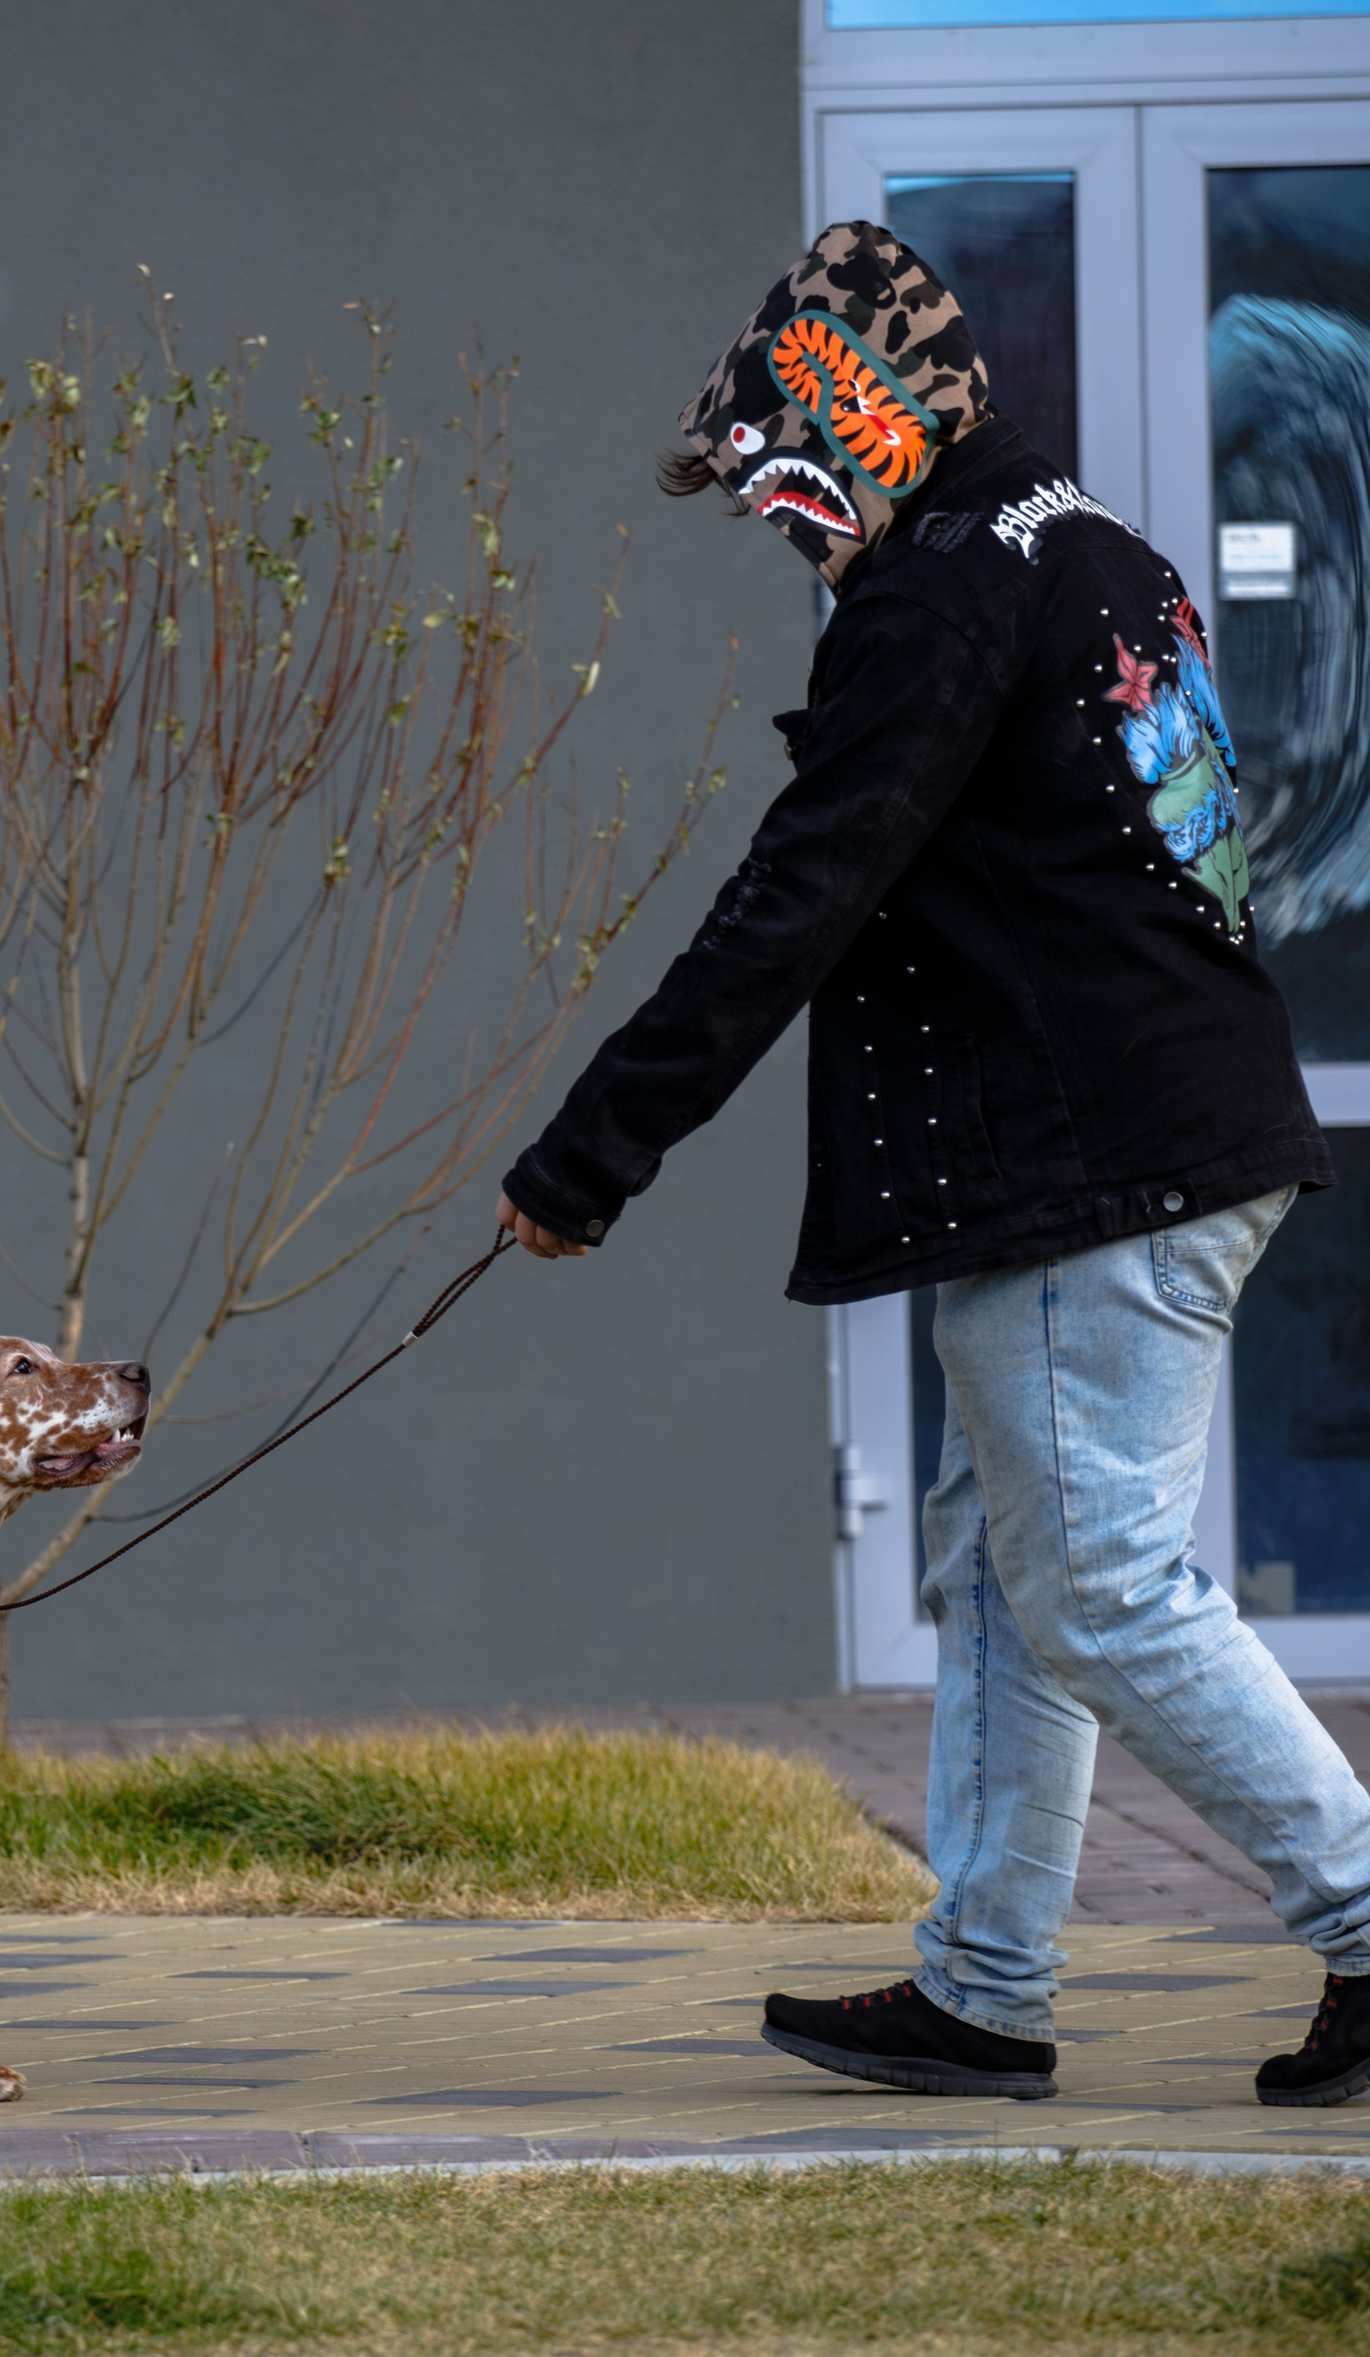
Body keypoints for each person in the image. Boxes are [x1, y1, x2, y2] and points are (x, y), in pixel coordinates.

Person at [496, 220, 1370, 2109]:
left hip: (1097, 1161)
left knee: (1106, 1586)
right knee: (1008, 1574)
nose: (784, 532)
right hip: (1146, 1141)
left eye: (780, 486)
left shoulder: (946, 591)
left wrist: (592, 1153)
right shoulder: (1087, 544)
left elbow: (802, 893)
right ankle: (984, 1987)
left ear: (855, 417)